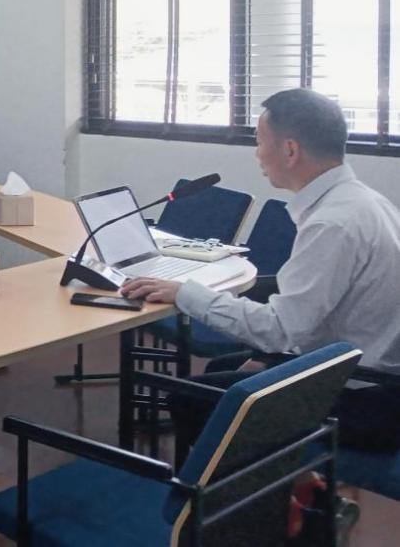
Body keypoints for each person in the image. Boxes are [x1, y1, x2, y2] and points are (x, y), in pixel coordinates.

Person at [121, 88, 400, 453]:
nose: (256, 153)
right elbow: (309, 318)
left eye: (259, 141)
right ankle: (280, 480)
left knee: (191, 398)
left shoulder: (332, 224)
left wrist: (186, 293)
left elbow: (280, 331)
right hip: (367, 373)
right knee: (221, 368)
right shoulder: (366, 202)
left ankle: (238, 491)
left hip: (362, 398)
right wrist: (270, 357)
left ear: (290, 150)